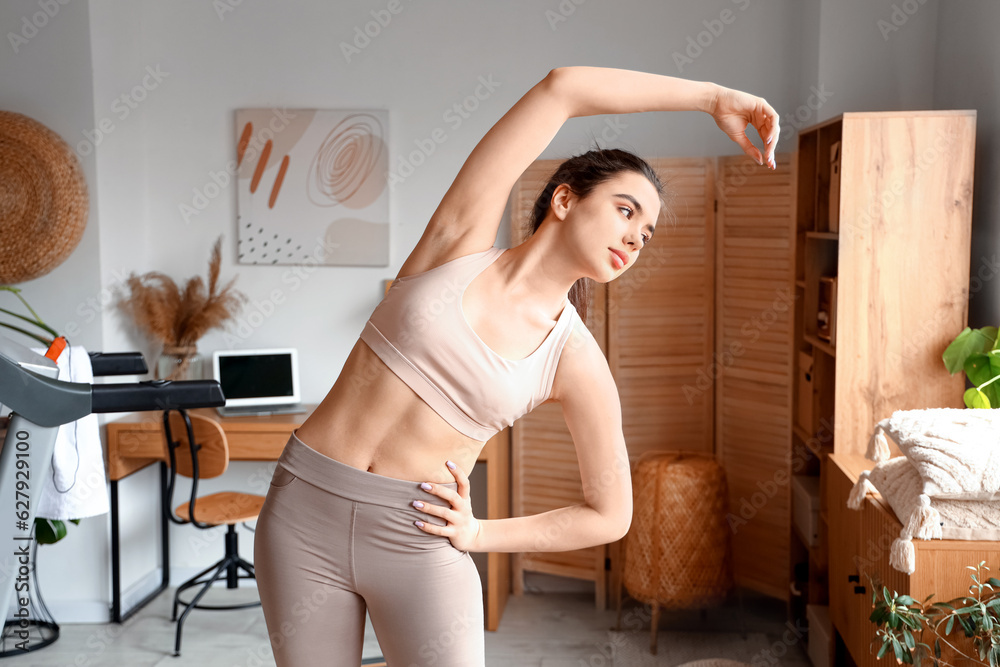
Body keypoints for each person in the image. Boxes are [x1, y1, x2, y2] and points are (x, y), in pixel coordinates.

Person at [252, 66, 779, 666]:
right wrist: (713, 98)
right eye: (626, 211)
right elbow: (562, 88)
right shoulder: (458, 244)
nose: (636, 239)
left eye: (648, 234)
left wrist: (482, 535)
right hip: (302, 514)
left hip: (418, 539)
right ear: (563, 199)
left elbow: (611, 514)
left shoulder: (576, 361)